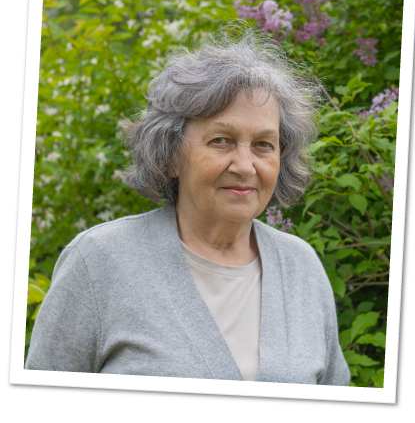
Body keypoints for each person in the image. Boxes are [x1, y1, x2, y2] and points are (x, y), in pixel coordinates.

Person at [25, 21, 351, 385]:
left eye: (263, 145)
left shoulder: (302, 267)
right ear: (171, 156)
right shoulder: (99, 262)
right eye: (221, 141)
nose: (245, 166)